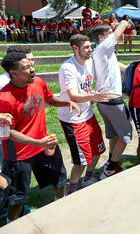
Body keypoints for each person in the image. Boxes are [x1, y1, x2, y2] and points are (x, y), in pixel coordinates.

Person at [0, 52, 81, 222]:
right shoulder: (4, 98)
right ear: (13, 73)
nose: (32, 69)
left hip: (45, 146)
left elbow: (50, 99)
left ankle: (60, 203)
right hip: (19, 155)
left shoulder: (38, 82)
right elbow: (9, 132)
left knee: (59, 180)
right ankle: (11, 224)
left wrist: (67, 102)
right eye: (26, 68)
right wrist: (38, 142)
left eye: (31, 65)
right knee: (19, 196)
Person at [58, 34, 111, 194]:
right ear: (75, 49)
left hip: (88, 115)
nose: (90, 50)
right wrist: (94, 96)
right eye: (86, 47)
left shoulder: (90, 62)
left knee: (97, 149)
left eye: (90, 46)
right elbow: (73, 95)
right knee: (81, 160)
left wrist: (129, 68)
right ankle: (72, 190)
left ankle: (87, 178)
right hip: (73, 119)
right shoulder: (68, 68)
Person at [92, 21, 133, 179]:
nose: (116, 35)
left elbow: (120, 66)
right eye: (110, 33)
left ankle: (110, 163)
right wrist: (124, 21)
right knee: (126, 134)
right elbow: (118, 33)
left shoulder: (104, 52)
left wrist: (136, 68)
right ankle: (111, 168)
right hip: (113, 101)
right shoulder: (103, 48)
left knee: (115, 134)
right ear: (102, 37)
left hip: (105, 102)